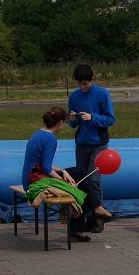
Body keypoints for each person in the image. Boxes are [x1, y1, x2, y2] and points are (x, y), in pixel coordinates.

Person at [22, 107, 89, 241]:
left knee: (79, 172)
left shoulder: (38, 133)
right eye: (64, 122)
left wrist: (62, 171)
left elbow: (40, 163)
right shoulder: (50, 139)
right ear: (60, 122)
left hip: (29, 177)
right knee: (79, 178)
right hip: (36, 180)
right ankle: (82, 221)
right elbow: (46, 168)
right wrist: (62, 180)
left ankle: (89, 215)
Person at [67, 63, 116, 233]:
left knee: (93, 180)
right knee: (80, 181)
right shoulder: (74, 96)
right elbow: (72, 124)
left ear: (92, 80)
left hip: (98, 144)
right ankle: (84, 218)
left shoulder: (103, 94)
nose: (82, 87)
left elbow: (110, 119)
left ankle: (98, 218)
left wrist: (93, 117)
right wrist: (72, 118)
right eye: (79, 84)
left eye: (85, 84)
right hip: (82, 144)